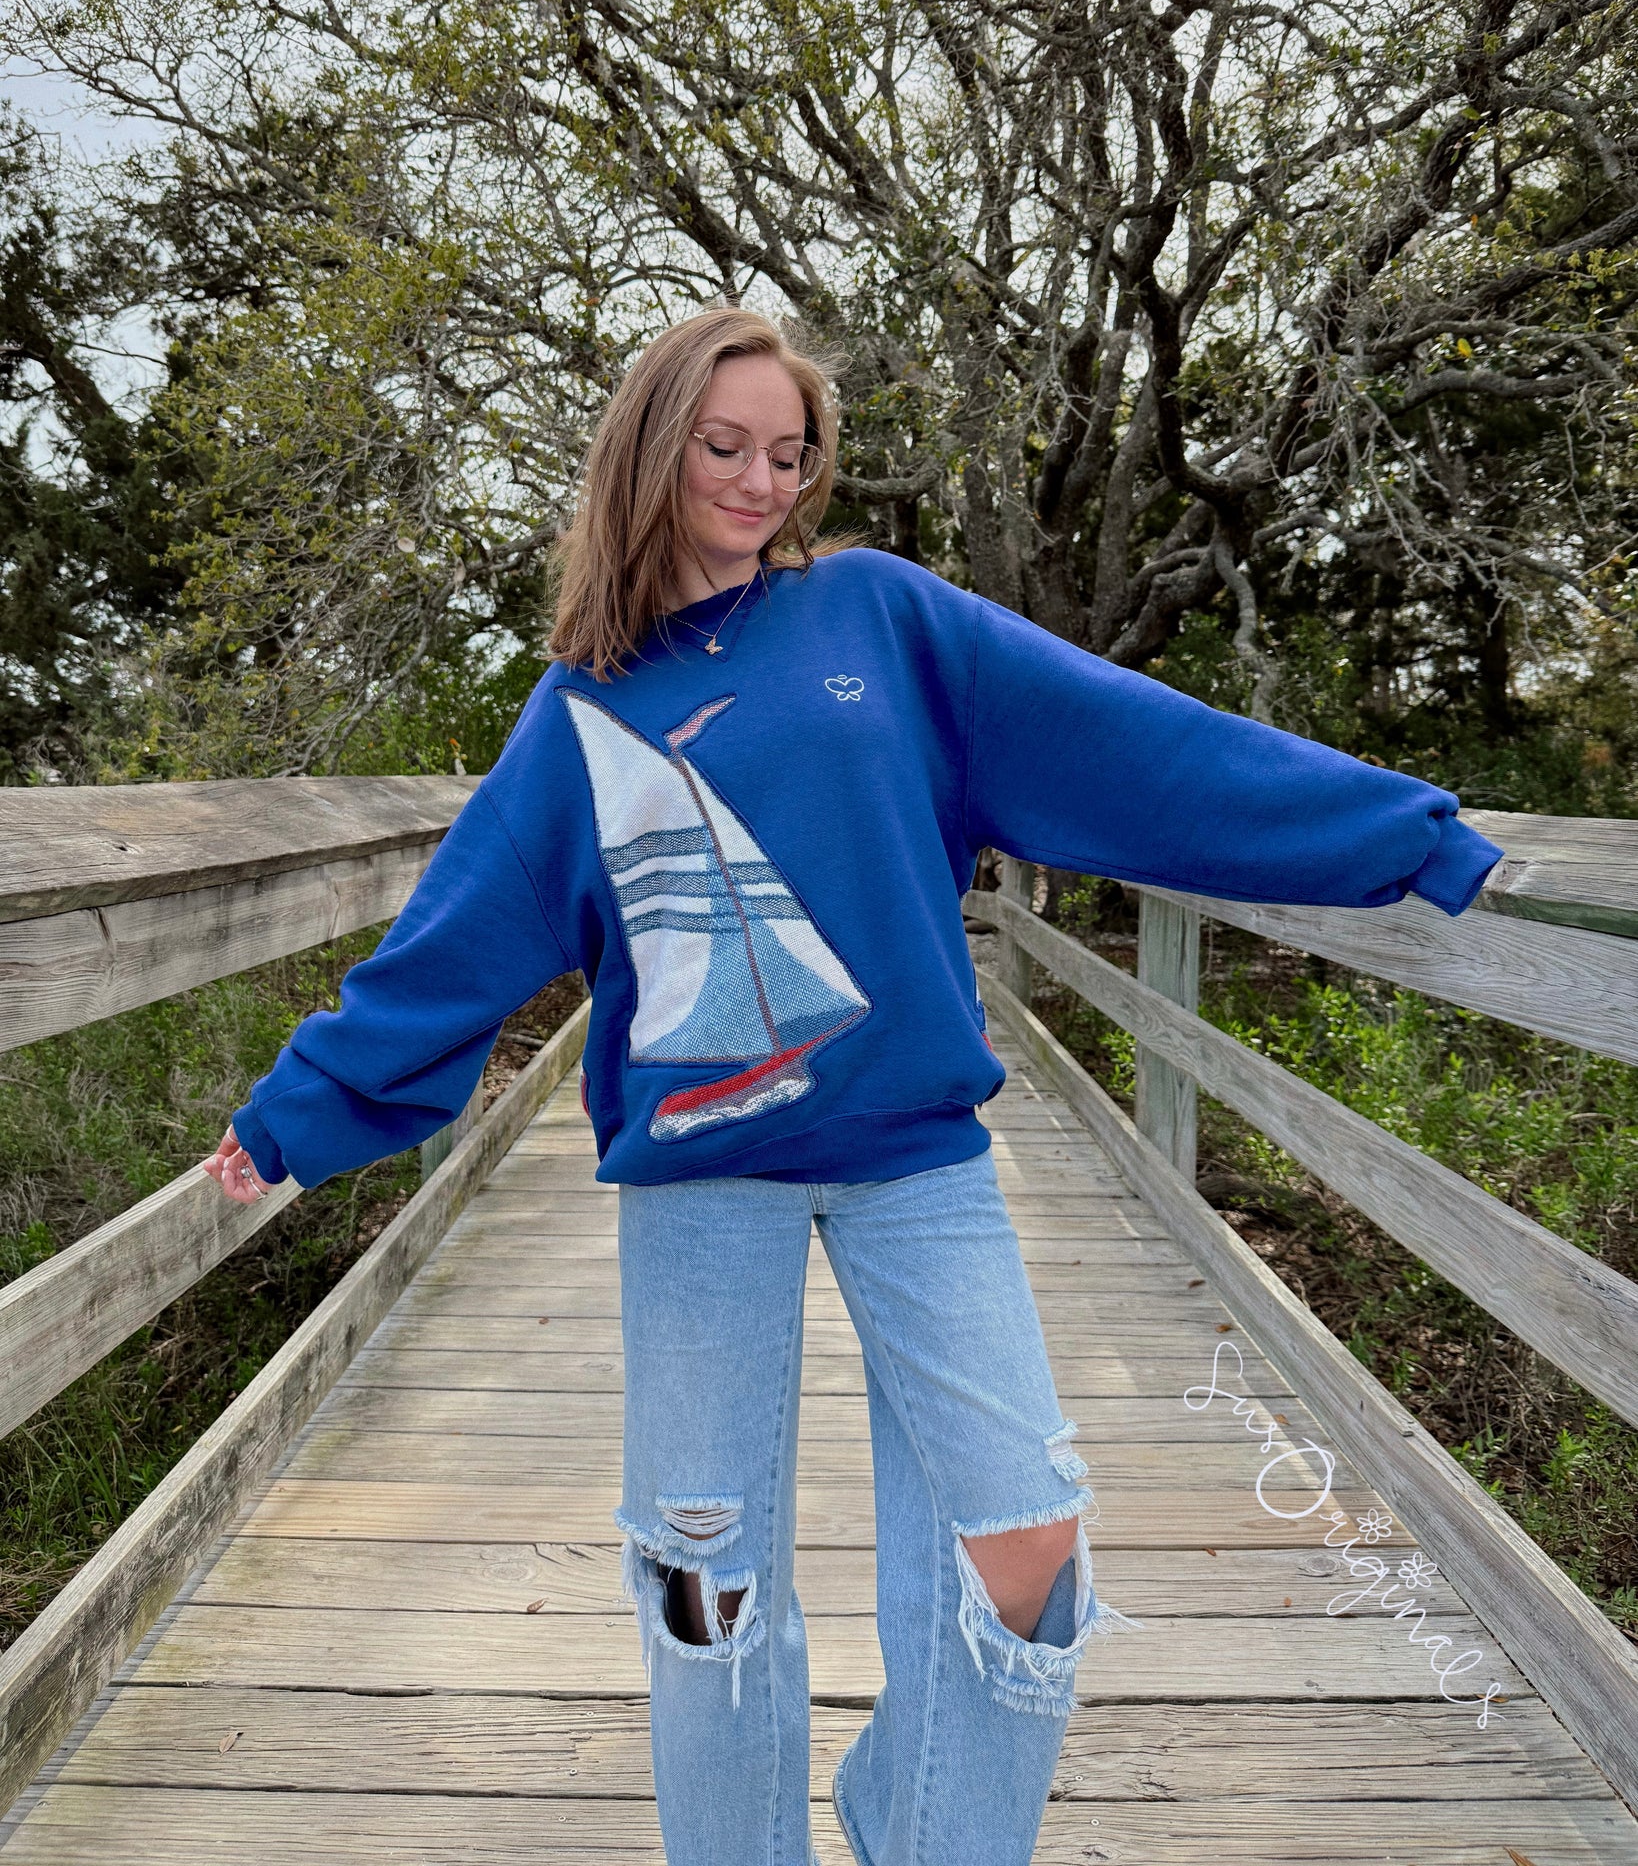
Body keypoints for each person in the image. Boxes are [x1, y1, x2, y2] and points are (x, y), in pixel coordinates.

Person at [206, 305, 1504, 1866]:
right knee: (703, 1587)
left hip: (913, 1160)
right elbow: (458, 938)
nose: (761, 482)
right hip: (702, 1177)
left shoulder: (880, 617)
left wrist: (1400, 835)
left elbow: (1129, 745)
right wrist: (295, 1115)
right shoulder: (581, 711)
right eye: (725, 447)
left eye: (790, 452)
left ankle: (916, 1831)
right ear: (651, 449)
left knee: (1024, 1543)